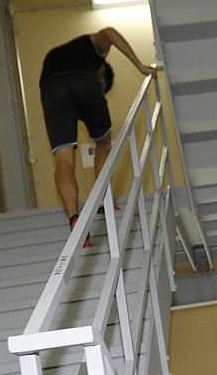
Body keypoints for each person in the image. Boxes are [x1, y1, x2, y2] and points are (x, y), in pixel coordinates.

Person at [39, 28, 155, 241]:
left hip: (52, 89)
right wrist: (139, 65)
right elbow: (110, 32)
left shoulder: (56, 55)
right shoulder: (93, 52)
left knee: (63, 157)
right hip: (85, 83)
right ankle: (103, 198)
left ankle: (74, 217)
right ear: (101, 76)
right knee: (103, 142)